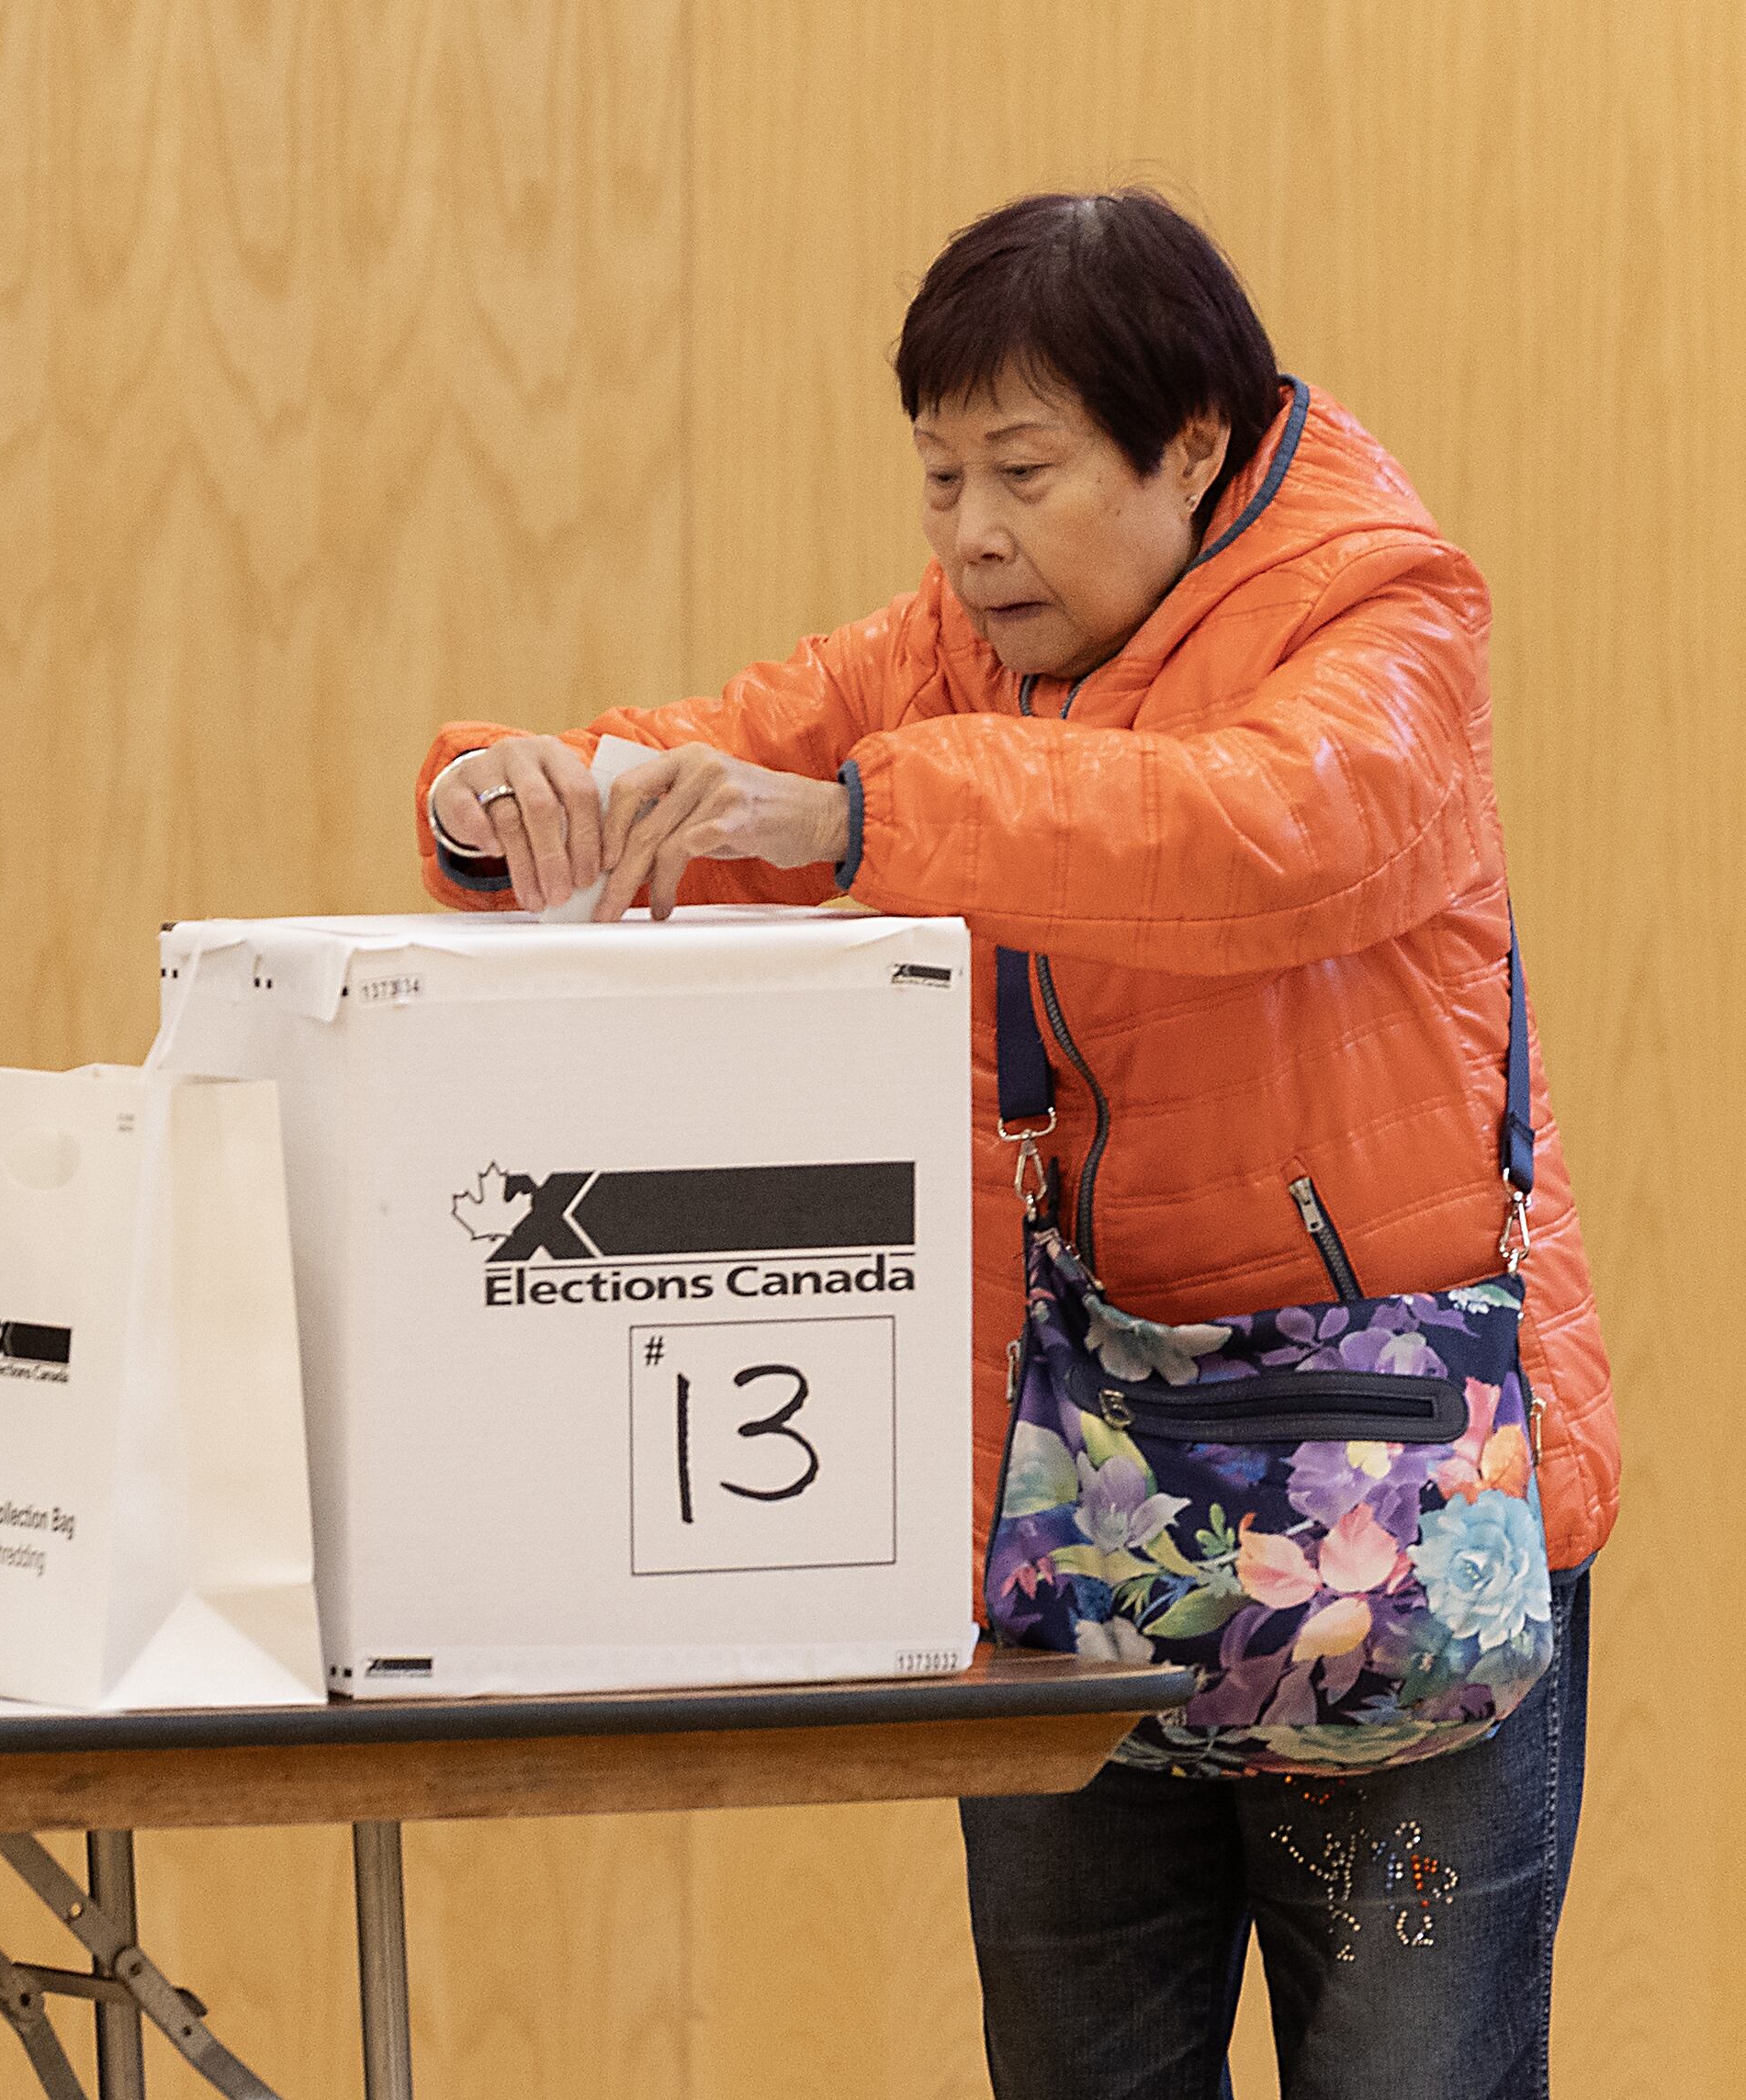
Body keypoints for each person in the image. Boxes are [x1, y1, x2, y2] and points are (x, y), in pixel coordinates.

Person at [415, 191, 1615, 2099]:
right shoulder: (945, 654)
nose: (969, 535)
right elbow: (708, 777)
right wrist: (512, 791)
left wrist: (853, 818)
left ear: (1193, 448)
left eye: (1023, 473)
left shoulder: (1389, 622)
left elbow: (1254, 833)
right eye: (937, 477)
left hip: (1400, 1523)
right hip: (1074, 1511)